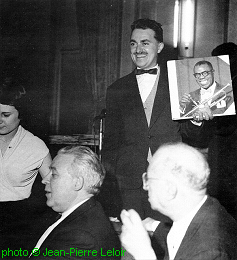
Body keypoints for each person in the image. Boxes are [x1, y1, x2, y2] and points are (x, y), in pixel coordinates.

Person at [101, 18, 207, 220]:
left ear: (159, 46)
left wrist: (196, 120)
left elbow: (190, 135)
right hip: (130, 185)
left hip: (172, 180)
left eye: (145, 43)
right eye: (133, 43)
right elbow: (111, 142)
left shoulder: (179, 83)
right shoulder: (116, 89)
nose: (138, 49)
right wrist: (118, 177)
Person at [120, 142, 237, 260]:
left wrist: (143, 254)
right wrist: (155, 226)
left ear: (170, 189)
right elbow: (188, 237)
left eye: (148, 179)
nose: (146, 186)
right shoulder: (210, 209)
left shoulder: (209, 253)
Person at [30, 145, 121, 259]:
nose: (44, 180)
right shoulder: (85, 213)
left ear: (77, 183)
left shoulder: (81, 237)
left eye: (54, 174)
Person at [0, 81, 52, 251]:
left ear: (21, 114)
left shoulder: (36, 146)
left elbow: (54, 187)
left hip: (17, 224)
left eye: (5, 115)